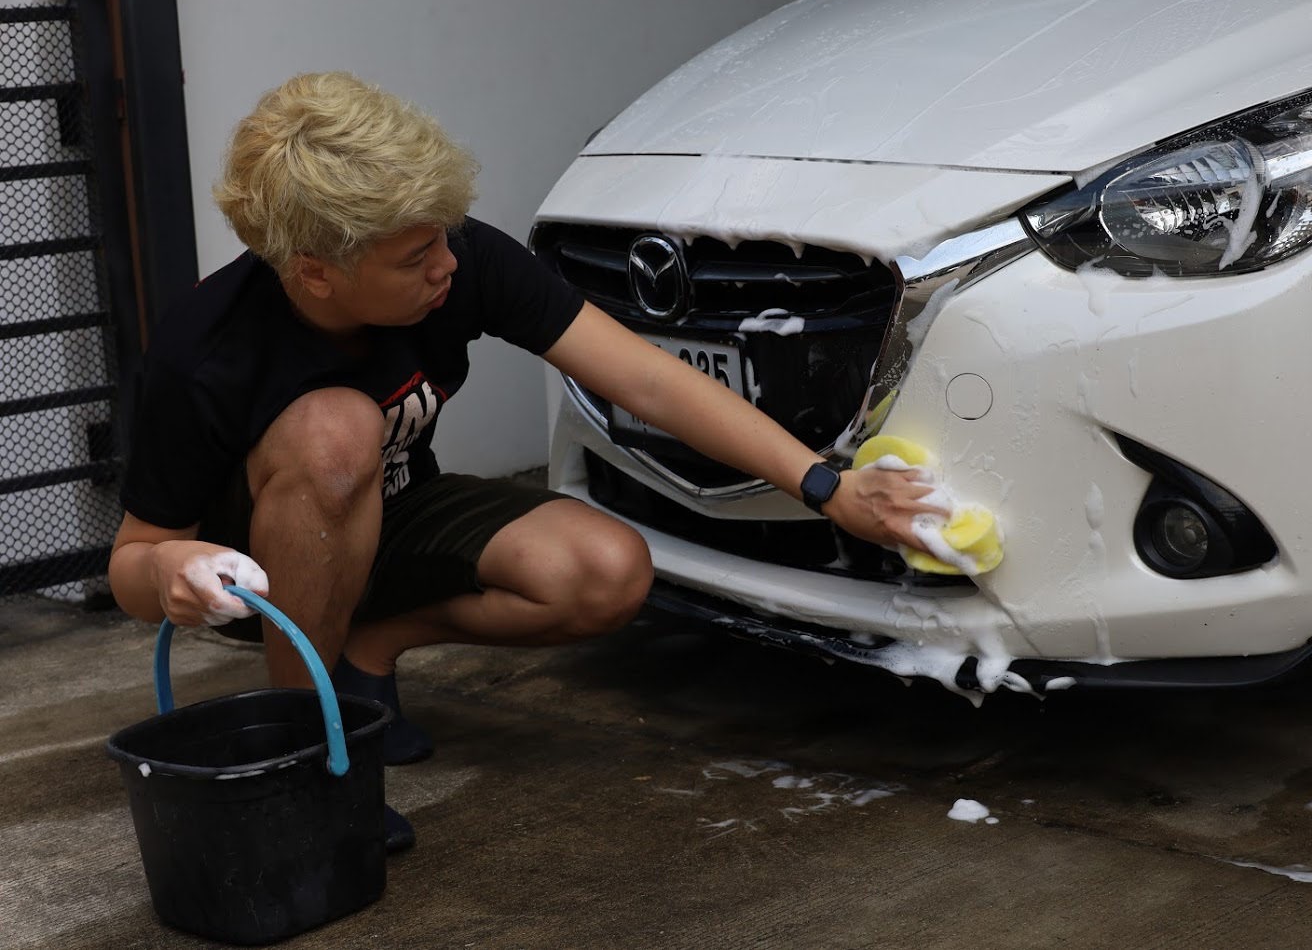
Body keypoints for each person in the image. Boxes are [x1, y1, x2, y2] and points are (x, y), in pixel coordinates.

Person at [107, 72, 939, 852]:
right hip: (264, 579)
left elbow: (645, 379)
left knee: (606, 571)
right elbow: (133, 563)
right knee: (336, 428)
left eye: (443, 237)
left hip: (394, 516)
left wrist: (826, 486)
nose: (446, 265)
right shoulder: (205, 350)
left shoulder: (457, 259)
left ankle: (368, 648)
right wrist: (173, 569)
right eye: (413, 259)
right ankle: (311, 757)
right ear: (315, 274)